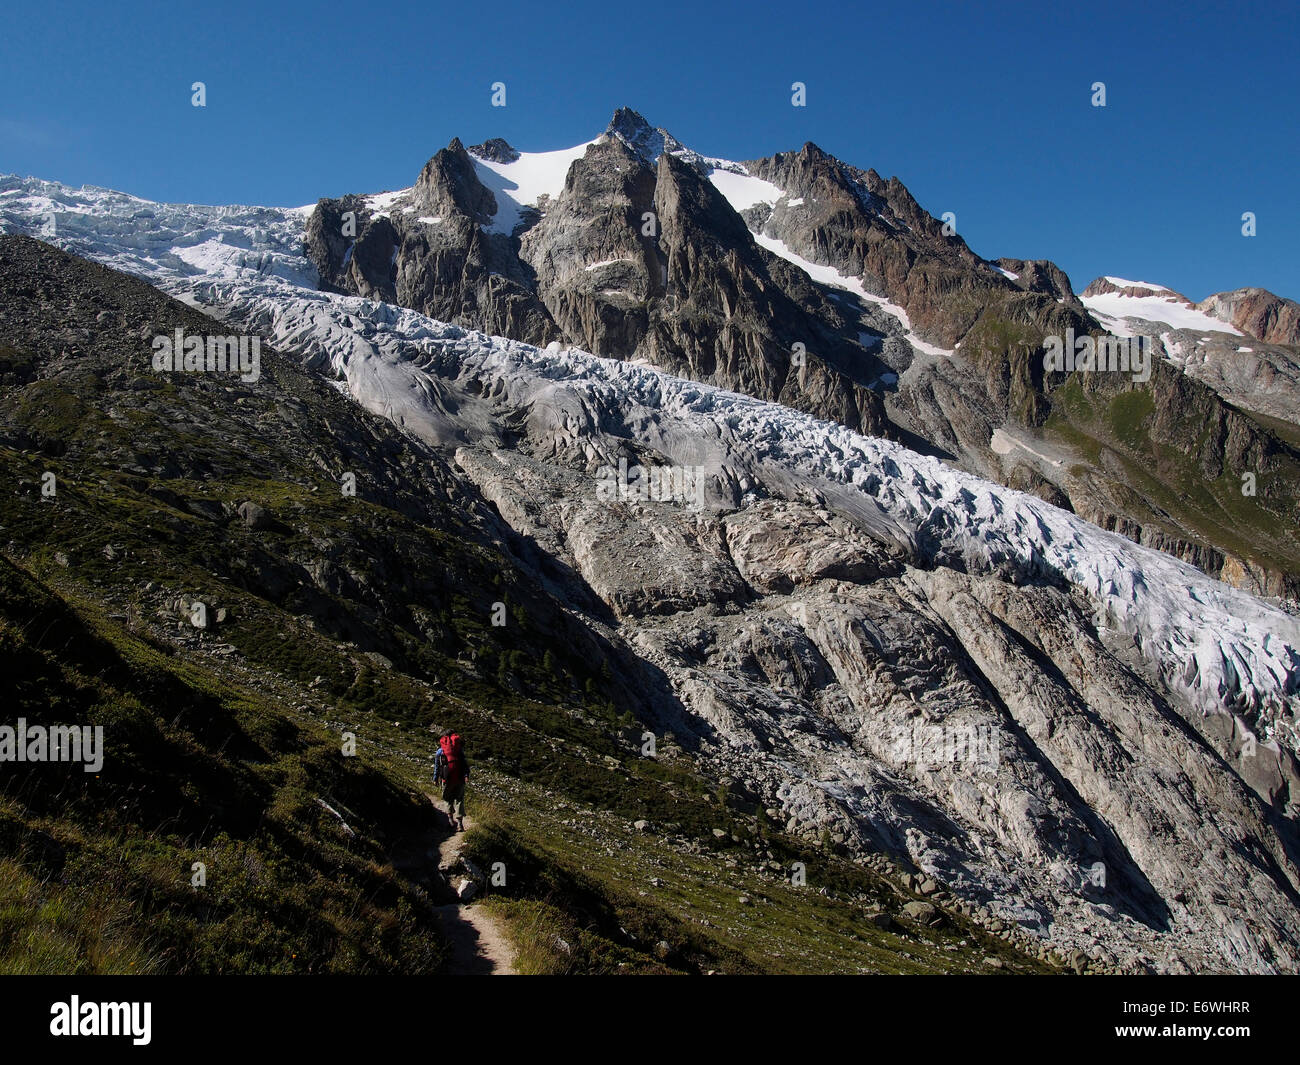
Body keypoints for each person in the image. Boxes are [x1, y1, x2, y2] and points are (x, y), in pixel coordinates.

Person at [433, 730, 470, 832]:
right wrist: (466, 775)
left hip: (446, 779)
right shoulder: (459, 750)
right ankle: (460, 824)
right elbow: (464, 764)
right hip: (459, 778)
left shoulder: (440, 751)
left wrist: (435, 778)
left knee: (447, 799)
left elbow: (437, 766)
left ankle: (450, 820)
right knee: (459, 799)